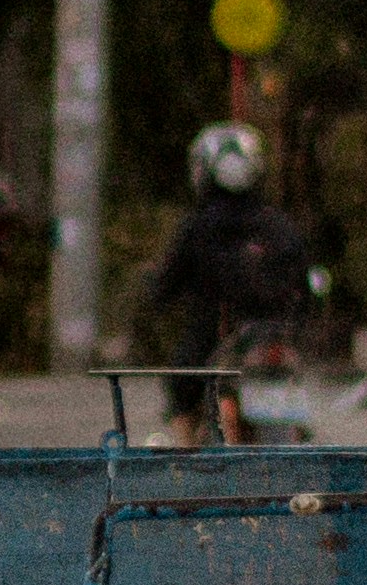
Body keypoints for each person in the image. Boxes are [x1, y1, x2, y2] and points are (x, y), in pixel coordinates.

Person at [132, 121, 317, 436]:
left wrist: (154, 289)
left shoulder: (198, 227)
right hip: (277, 337)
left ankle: (184, 461)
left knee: (182, 386)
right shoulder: (279, 225)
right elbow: (306, 285)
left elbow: (165, 286)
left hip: (215, 339)